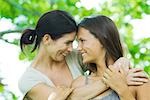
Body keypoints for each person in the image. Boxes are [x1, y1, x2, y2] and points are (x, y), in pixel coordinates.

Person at [18, 10, 148, 100]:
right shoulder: (29, 80)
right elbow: (71, 98)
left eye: (79, 41)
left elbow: (108, 51)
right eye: (68, 42)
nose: (74, 48)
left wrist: (122, 62)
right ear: (46, 39)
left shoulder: (72, 56)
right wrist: (113, 80)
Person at [70, 15, 150, 100]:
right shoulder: (79, 83)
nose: (78, 48)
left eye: (82, 41)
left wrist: (122, 89)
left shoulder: (137, 79)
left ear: (102, 40)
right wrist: (108, 81)